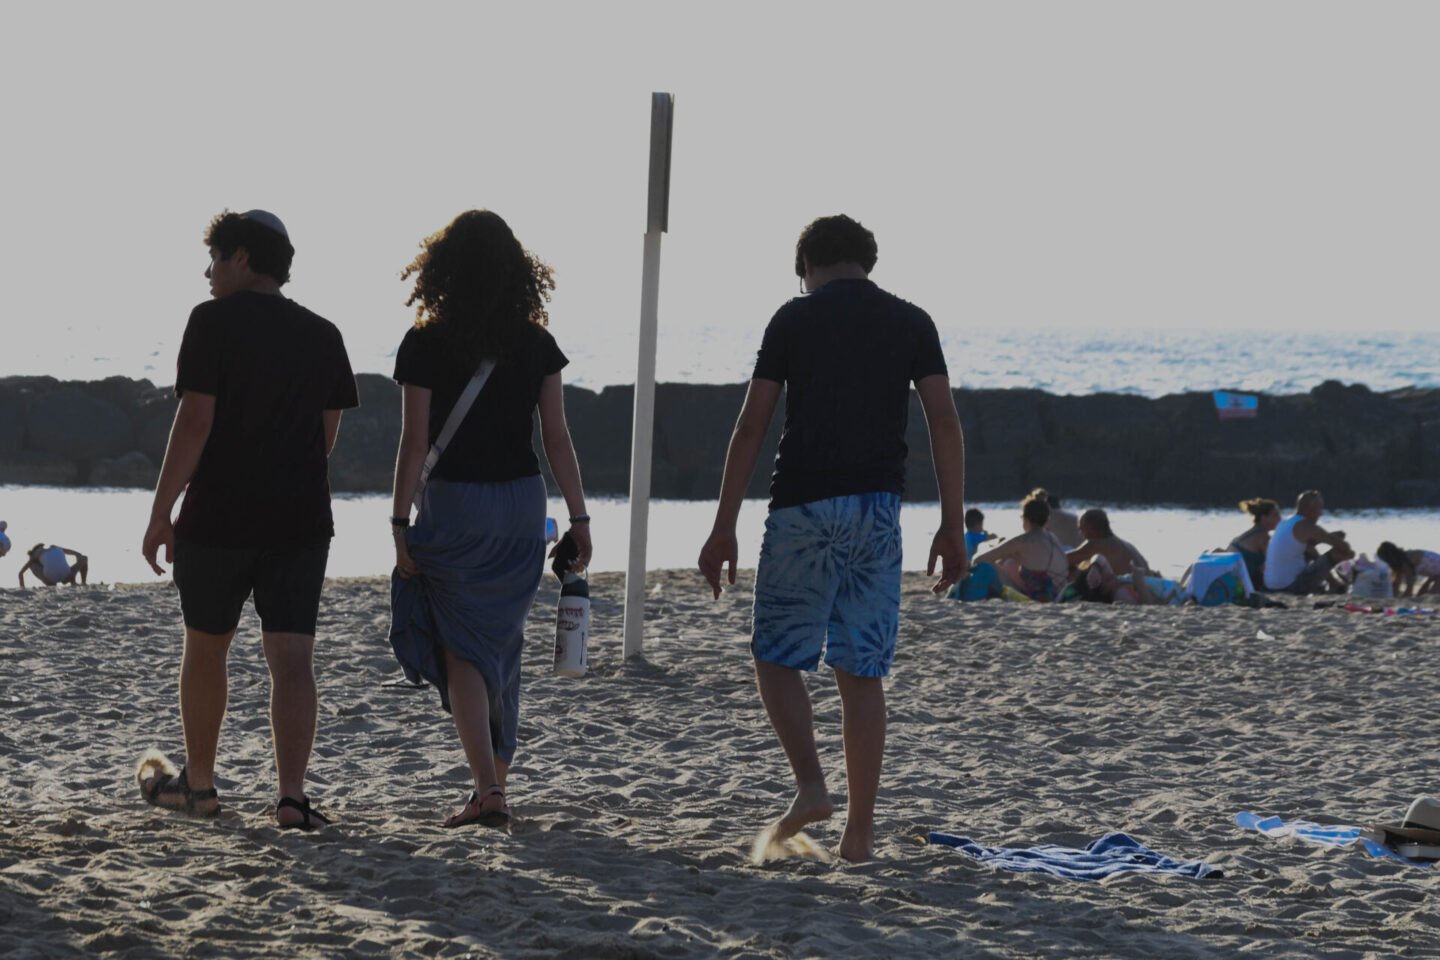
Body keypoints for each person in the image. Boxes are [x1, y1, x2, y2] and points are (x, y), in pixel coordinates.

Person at [698, 214, 967, 862]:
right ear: (867, 261)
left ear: (806, 266)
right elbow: (944, 422)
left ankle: (812, 786)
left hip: (803, 510)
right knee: (861, 670)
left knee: (775, 657)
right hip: (878, 512)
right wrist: (953, 523)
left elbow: (751, 426)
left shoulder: (794, 318)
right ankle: (859, 834)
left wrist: (724, 525)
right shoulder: (912, 321)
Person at [138, 209, 359, 828]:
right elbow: (325, 437)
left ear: (241, 257)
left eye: (214, 259)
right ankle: (291, 797)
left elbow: (195, 422)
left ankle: (201, 787)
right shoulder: (324, 333)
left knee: (207, 648)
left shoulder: (211, 322)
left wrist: (160, 511)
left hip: (219, 516)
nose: (207, 273)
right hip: (300, 520)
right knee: (292, 660)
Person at [388, 210, 591, 830]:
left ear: (441, 270)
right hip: (522, 506)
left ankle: (487, 789)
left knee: (462, 647)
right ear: (516, 271)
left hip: (455, 506)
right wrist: (579, 517)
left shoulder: (425, 343)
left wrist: (399, 522)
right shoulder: (535, 343)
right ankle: (495, 778)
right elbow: (557, 437)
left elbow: (414, 442)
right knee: (500, 644)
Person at [969, 491, 1068, 601]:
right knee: (1011, 562)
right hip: (1059, 594)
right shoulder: (1052, 537)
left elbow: (977, 560)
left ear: (1025, 519)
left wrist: (984, 547)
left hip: (1038, 597)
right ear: (1047, 519)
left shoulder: (1023, 540)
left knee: (985, 565)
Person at [1262, 490, 1354, 594]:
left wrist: (1329, 538)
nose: (1321, 513)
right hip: (1290, 587)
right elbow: (1344, 547)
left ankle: (1333, 583)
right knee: (1338, 553)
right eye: (1319, 509)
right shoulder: (1305, 525)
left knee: (1309, 549)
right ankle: (1335, 584)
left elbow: (1310, 543)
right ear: (1311, 509)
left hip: (1271, 586)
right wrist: (1345, 549)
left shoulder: (1286, 522)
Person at [1066, 508, 1149, 577]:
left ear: (1091, 528)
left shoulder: (1097, 544)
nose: (1081, 534)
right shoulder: (1124, 544)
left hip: (1133, 588)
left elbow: (1063, 560)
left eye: (1082, 529)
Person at [1225, 498, 1280, 587]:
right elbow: (1271, 566)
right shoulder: (1263, 537)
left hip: (1231, 577)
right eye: (1275, 515)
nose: (1280, 518)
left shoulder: (1251, 532)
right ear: (1264, 518)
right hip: (1241, 583)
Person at [1376, 541, 1440, 597]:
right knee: (1421, 596)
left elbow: (1410, 583)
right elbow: (1396, 582)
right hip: (1435, 573)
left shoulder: (1407, 560)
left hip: (1437, 572)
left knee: (1432, 594)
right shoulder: (1400, 563)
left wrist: (1406, 594)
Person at [19, 543, 88, 587]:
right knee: (84, 558)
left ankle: (50, 584)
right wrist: (73, 575)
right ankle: (83, 582)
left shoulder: (35, 554)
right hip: (67, 576)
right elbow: (77, 554)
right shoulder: (55, 548)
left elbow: (21, 573)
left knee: (32, 565)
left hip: (50, 580)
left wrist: (22, 587)